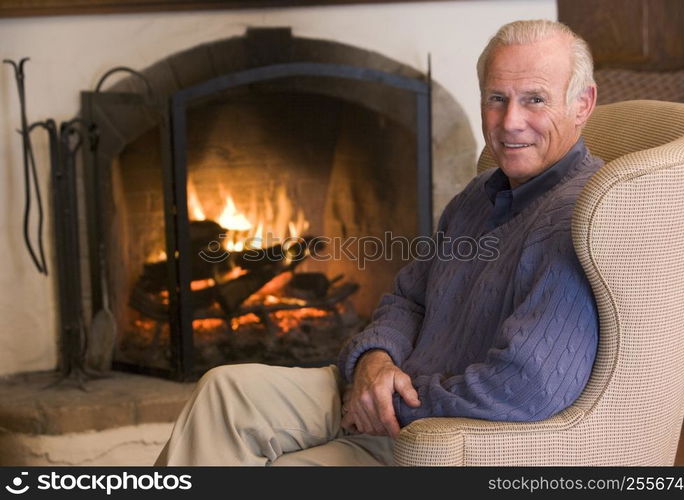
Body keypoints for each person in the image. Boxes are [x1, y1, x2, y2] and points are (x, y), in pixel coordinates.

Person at [154, 18, 602, 466]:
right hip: (389, 390)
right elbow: (408, 297)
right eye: (497, 99)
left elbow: (525, 386)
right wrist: (374, 361)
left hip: (436, 429)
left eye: (535, 100)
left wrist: (390, 400)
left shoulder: (584, 215)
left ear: (582, 104)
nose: (510, 122)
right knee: (223, 392)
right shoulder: (479, 194)